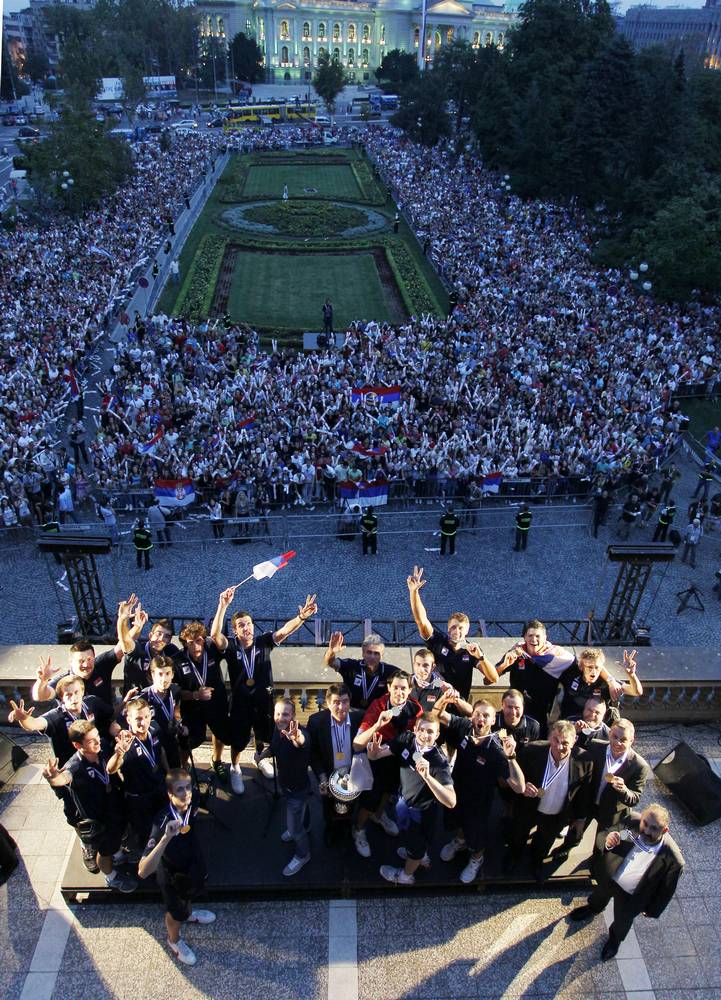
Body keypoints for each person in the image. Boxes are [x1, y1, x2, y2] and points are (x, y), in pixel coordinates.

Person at [210, 586, 318, 794]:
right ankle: (235, 767)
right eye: (241, 625)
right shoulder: (231, 647)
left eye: (249, 623)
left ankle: (259, 758)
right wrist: (222, 605)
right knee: (238, 739)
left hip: (264, 700)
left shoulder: (264, 641)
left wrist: (301, 617)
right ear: (235, 630)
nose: (247, 628)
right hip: (241, 703)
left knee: (264, 733)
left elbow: (285, 630)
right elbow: (215, 635)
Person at [568, 804, 685, 961]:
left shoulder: (673, 859)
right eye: (645, 824)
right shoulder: (631, 821)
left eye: (654, 828)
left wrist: (652, 910)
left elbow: (666, 890)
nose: (647, 831)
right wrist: (608, 842)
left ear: (665, 831)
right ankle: (593, 908)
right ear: (641, 817)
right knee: (599, 895)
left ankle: (614, 940)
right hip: (612, 878)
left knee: (623, 920)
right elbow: (604, 835)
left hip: (633, 895)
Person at [435, 692, 525, 882]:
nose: (480, 719)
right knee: (457, 823)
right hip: (457, 792)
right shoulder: (465, 727)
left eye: (486, 716)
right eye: (477, 714)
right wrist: (444, 699)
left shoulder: (496, 749)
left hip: (479, 802)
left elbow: (519, 787)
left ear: (493, 720)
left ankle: (477, 858)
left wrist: (511, 758)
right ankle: (459, 841)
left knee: (476, 834)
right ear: (472, 716)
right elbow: (439, 715)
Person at [43, 721, 137, 893]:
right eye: (91, 741)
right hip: (99, 819)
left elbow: (113, 767)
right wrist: (52, 778)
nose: (97, 742)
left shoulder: (103, 749)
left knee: (117, 839)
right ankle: (111, 877)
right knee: (104, 851)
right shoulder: (75, 766)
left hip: (115, 809)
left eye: (97, 737)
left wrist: (120, 752)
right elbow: (62, 779)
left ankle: (117, 855)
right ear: (78, 745)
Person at [367, 713, 456, 886]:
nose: (425, 735)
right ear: (414, 730)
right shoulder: (406, 740)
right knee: (409, 837)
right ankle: (418, 854)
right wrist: (373, 753)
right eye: (421, 729)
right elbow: (376, 756)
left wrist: (428, 777)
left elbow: (451, 801)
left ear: (437, 735)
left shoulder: (439, 762)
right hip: (404, 802)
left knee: (415, 847)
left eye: (430, 732)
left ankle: (406, 875)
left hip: (422, 813)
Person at [138, 768, 215, 966]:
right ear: (169, 794)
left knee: (190, 894)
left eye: (188, 787)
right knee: (175, 912)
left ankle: (189, 914)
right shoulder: (162, 821)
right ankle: (174, 941)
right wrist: (166, 838)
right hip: (172, 872)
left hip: (191, 860)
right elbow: (143, 870)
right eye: (180, 790)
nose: (186, 793)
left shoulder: (194, 799)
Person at [508, 720, 593, 882]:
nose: (559, 746)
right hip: (529, 807)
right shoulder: (532, 750)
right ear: (549, 737)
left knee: (544, 840)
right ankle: (513, 857)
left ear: (574, 740)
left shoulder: (585, 760)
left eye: (565, 743)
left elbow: (584, 792)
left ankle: (536, 863)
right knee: (518, 834)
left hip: (556, 812)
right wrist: (523, 785)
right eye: (556, 740)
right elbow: (515, 774)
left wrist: (580, 817)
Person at [351, 672, 422, 857]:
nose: (399, 692)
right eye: (396, 687)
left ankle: (379, 814)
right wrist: (377, 725)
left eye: (403, 688)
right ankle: (359, 829)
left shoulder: (415, 709)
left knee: (389, 790)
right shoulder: (378, 706)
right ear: (389, 688)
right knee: (371, 797)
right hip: (377, 758)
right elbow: (358, 743)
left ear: (410, 690)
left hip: (398, 759)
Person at [407, 565, 499, 702]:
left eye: (461, 628)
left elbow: (493, 678)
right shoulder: (437, 641)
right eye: (453, 627)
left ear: (467, 631)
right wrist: (414, 593)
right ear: (447, 628)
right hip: (434, 702)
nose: (457, 631)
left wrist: (481, 657)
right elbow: (421, 621)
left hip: (459, 704)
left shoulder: (471, 651)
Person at [255, 698, 312, 877]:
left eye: (286, 714)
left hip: (297, 789)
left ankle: (303, 855)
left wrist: (296, 737)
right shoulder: (277, 729)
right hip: (286, 785)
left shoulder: (299, 733)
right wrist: (263, 755)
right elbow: (274, 747)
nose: (281, 718)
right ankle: (304, 826)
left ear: (294, 716)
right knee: (299, 811)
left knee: (295, 828)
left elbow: (301, 741)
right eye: (278, 714)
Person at [494, 620, 577, 737]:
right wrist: (505, 664)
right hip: (515, 711)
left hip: (540, 714)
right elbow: (492, 677)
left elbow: (585, 665)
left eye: (538, 636)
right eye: (530, 636)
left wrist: (610, 681)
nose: (534, 640)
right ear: (524, 637)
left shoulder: (557, 657)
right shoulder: (517, 652)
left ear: (545, 637)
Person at [307, 683, 364, 846]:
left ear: (350, 701)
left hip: (352, 774)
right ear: (327, 703)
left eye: (345, 701)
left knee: (350, 806)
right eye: (336, 702)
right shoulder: (316, 721)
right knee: (328, 805)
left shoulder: (359, 717)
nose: (341, 707)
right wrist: (322, 777)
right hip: (328, 774)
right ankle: (330, 827)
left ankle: (347, 826)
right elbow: (313, 753)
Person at [173, 620, 231, 780]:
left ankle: (217, 761)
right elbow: (175, 691)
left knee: (220, 733)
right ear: (185, 643)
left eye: (199, 641)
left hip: (217, 703)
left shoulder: (212, 650)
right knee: (188, 740)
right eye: (190, 643)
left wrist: (222, 606)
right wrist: (195, 695)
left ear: (204, 639)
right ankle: (184, 766)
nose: (196, 646)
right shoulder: (177, 660)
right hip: (192, 709)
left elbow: (221, 640)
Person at [110, 698, 168, 853]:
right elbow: (110, 769)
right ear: (128, 719)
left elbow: (160, 751)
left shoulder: (154, 728)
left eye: (146, 717)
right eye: (138, 719)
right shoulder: (125, 741)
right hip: (139, 798)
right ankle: (144, 857)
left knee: (161, 823)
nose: (143, 722)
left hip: (158, 787)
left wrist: (168, 773)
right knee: (143, 832)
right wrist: (119, 753)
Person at [32, 636, 125, 709]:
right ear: (71, 662)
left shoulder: (101, 665)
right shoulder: (63, 681)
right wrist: (42, 680)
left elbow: (124, 645)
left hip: (106, 727)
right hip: (76, 730)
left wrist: (124, 620)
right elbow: (39, 696)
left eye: (89, 659)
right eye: (81, 661)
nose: (86, 664)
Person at [559, 647, 642, 722]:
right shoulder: (571, 676)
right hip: (571, 722)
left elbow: (636, 692)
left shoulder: (606, 683)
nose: (593, 671)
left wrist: (632, 675)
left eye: (597, 667)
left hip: (596, 723)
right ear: (581, 667)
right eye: (590, 667)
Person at [324, 631, 397, 710]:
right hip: (352, 712)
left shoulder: (390, 671)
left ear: (381, 655)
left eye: (376, 653)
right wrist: (331, 651)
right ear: (363, 653)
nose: (372, 657)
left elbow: (408, 679)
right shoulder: (352, 666)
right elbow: (330, 662)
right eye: (369, 652)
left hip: (377, 714)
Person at [139, 655, 186, 768]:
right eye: (160, 674)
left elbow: (176, 712)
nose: (164, 679)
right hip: (152, 746)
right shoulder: (143, 698)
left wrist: (179, 725)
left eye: (167, 674)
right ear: (152, 675)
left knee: (175, 774)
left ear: (172, 674)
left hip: (171, 742)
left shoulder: (175, 691)